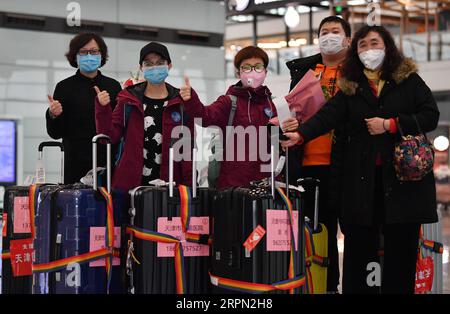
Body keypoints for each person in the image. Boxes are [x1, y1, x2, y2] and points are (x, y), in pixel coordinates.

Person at [281, 25, 439, 294]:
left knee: (401, 254)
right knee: (358, 253)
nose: (368, 50)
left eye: (374, 43)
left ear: (387, 47)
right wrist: (302, 135)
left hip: (402, 185)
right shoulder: (351, 87)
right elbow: (326, 116)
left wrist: (390, 124)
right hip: (361, 185)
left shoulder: (408, 80)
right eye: (362, 45)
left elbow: (430, 115)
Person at [281, 16, 352, 293]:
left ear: (347, 39)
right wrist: (289, 123)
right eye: (324, 32)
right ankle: (323, 286)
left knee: (354, 232)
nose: (329, 36)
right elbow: (294, 113)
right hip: (308, 166)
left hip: (346, 165)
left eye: (336, 31)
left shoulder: (357, 73)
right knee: (317, 234)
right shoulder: (305, 72)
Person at [95, 42, 194, 192]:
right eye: (149, 64)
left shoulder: (179, 102)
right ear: (141, 68)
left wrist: (189, 185)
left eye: (160, 63)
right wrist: (103, 109)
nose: (155, 68)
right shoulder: (128, 100)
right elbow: (109, 136)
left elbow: (187, 149)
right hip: (131, 185)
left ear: (170, 66)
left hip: (170, 185)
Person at [180, 46, 277, 189]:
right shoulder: (229, 102)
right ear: (238, 73)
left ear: (265, 71)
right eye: (247, 67)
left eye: (258, 66)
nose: (253, 71)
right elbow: (205, 116)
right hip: (233, 186)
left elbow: (280, 143)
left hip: (267, 186)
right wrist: (191, 99)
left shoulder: (272, 104)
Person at [46, 33, 122, 184]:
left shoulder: (113, 86)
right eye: (83, 52)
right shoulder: (64, 87)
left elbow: (119, 129)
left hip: (107, 163)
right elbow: (55, 133)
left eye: (94, 51)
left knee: (108, 205)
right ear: (75, 56)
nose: (89, 55)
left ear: (102, 55)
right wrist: (53, 115)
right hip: (75, 164)